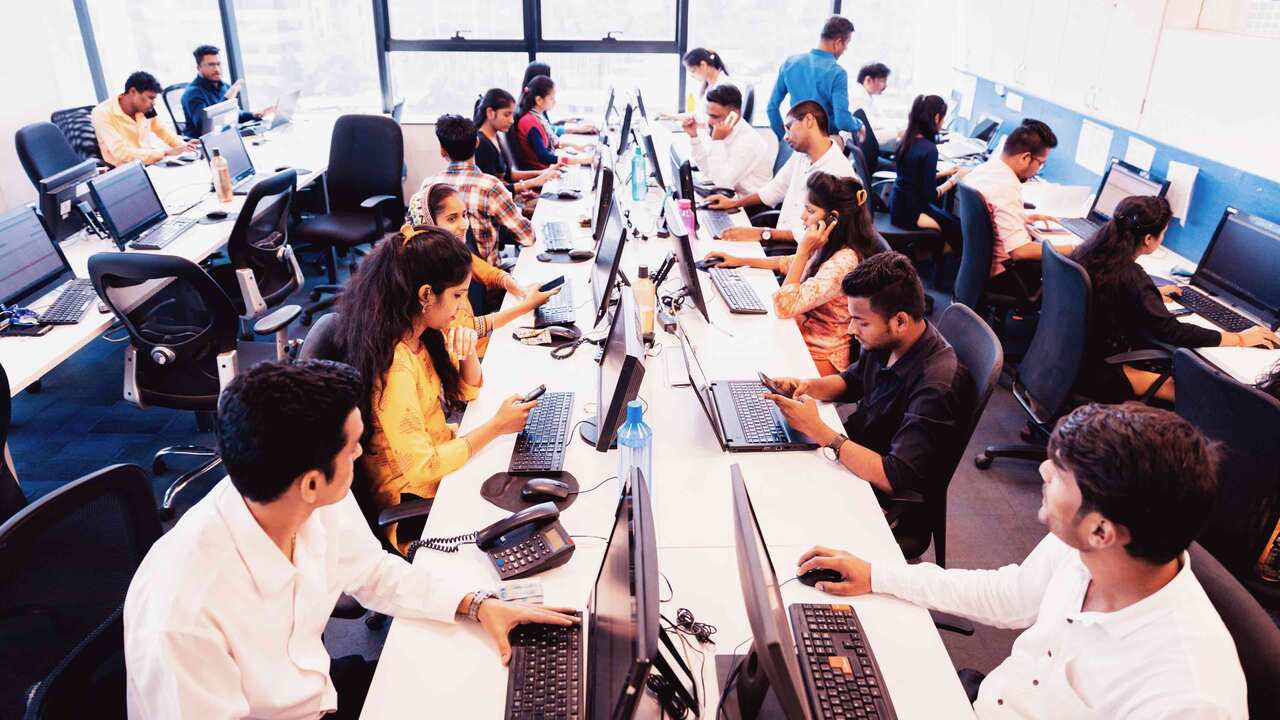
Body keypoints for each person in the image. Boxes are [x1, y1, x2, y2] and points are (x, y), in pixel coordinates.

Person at [123, 359, 578, 720]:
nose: (363, 454)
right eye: (354, 447)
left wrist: (478, 604)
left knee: (484, 687)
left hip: (318, 692)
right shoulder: (182, 613)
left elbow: (374, 572)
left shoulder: (304, 498)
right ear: (310, 483)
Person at [796, 402, 1248, 719]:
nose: (1042, 471)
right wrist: (879, 575)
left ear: (1102, 530)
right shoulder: (1087, 548)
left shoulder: (1189, 696)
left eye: (1061, 473)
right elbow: (1010, 596)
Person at [331, 226, 539, 553]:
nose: (461, 306)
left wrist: (468, 351)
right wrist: (497, 426)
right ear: (426, 294)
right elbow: (423, 468)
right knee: (525, 518)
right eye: (457, 295)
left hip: (442, 465)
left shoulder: (419, 332)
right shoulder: (396, 366)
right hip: (416, 504)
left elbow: (469, 392)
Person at [762, 252, 972, 537]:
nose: (852, 329)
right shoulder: (891, 337)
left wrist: (819, 430)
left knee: (773, 505)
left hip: (879, 496)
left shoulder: (936, 384)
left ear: (899, 321)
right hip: (854, 454)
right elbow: (853, 381)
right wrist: (805, 385)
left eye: (861, 322)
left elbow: (895, 476)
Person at [1072, 195, 1279, 403]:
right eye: (1163, 233)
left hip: (1072, 358)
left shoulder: (1093, 253)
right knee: (1196, 395)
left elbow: (1113, 292)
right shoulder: (1130, 276)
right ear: (1148, 239)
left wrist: (1148, 296)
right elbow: (1172, 331)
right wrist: (1240, 338)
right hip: (1099, 372)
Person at [706, 172, 882, 373]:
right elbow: (787, 263)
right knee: (740, 343)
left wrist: (803, 250)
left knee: (743, 360)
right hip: (799, 335)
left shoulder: (844, 261)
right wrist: (739, 261)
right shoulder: (831, 243)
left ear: (833, 218)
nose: (802, 216)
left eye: (810, 210)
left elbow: (784, 306)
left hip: (820, 355)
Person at [407, 183, 559, 355]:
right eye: (452, 218)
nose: (464, 224)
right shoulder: (429, 269)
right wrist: (527, 305)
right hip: (465, 354)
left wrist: (522, 290)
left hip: (477, 344)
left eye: (464, 215)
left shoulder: (453, 252)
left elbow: (491, 274)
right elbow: (466, 328)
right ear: (429, 224)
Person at [704, 101, 855, 245]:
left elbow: (813, 234)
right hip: (778, 240)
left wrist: (761, 233)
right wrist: (733, 203)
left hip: (798, 252)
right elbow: (774, 189)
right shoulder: (801, 155)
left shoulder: (838, 171)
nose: (785, 137)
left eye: (789, 127)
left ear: (809, 120)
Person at [961, 118, 1071, 297]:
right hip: (1003, 274)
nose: (1039, 169)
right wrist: (1074, 249)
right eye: (1041, 163)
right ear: (1026, 157)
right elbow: (1020, 251)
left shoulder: (985, 170)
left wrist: (1023, 218)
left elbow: (987, 219)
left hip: (976, 270)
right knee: (1066, 267)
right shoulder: (1007, 186)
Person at [424, 114, 536, 267]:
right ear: (477, 143)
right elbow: (527, 237)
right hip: (488, 283)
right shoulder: (490, 186)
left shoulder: (428, 187)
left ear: (442, 151)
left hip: (445, 283)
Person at [766, 15, 863, 142]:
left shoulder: (790, 63)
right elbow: (842, 121)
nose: (845, 49)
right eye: (847, 43)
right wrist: (859, 124)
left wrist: (785, 136)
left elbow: (771, 108)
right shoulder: (837, 73)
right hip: (822, 144)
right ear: (838, 42)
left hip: (797, 141)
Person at [890, 95, 965, 252]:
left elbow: (912, 175)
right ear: (937, 117)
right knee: (960, 232)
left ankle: (927, 256)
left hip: (898, 205)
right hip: (912, 212)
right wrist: (953, 180)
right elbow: (930, 195)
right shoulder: (929, 149)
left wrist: (943, 173)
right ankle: (928, 259)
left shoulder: (905, 139)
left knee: (951, 224)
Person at [682, 84, 773, 197]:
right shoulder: (726, 131)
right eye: (709, 115)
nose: (709, 122)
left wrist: (717, 141)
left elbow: (722, 183)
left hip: (751, 208)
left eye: (715, 116)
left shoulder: (747, 142)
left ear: (734, 115)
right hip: (734, 197)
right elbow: (709, 171)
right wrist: (694, 137)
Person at [91, 71, 197, 167]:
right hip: (125, 169)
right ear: (133, 92)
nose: (153, 103)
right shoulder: (102, 113)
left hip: (151, 163)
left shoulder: (146, 109)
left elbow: (164, 132)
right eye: (150, 97)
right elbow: (121, 152)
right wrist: (165, 152)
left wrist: (185, 147)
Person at [473, 88, 561, 197]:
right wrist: (534, 182)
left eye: (512, 115)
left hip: (507, 198)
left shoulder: (495, 136)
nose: (511, 120)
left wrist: (542, 173)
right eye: (506, 114)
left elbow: (509, 175)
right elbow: (492, 190)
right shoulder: (482, 144)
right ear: (490, 112)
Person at [180, 44, 262, 138]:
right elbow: (205, 127)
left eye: (218, 64)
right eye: (211, 65)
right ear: (199, 68)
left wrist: (254, 114)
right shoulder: (192, 93)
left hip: (225, 137)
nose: (216, 69)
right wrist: (227, 99)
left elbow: (235, 114)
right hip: (203, 145)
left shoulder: (224, 86)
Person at [512, 76, 592, 170]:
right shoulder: (530, 123)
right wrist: (581, 160)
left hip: (547, 169)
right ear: (539, 100)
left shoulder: (538, 117)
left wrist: (579, 147)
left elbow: (554, 144)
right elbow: (545, 157)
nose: (554, 102)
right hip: (542, 175)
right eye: (551, 98)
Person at [518, 62, 595, 135]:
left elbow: (545, 126)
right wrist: (577, 130)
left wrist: (562, 121)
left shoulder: (527, 101)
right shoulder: (528, 110)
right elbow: (545, 131)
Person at [660, 47, 730, 121]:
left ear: (703, 65)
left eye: (693, 71)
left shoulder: (724, 86)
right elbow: (699, 115)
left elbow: (717, 122)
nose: (692, 75)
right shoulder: (708, 85)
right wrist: (672, 117)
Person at [850, 62, 898, 150]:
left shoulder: (867, 97)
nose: (885, 85)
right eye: (882, 81)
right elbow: (870, 134)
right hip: (867, 148)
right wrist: (898, 133)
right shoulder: (858, 99)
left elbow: (880, 121)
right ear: (868, 80)